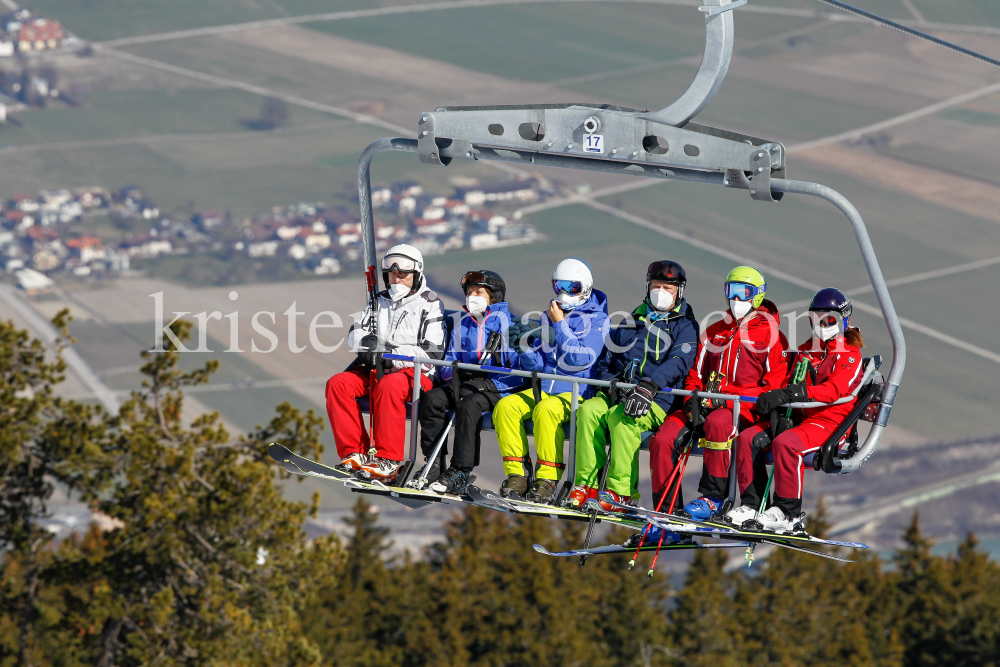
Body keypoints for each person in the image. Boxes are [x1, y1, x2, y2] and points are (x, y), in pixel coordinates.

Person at [646, 266, 788, 520]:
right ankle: (665, 511)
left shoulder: (771, 335)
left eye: (744, 292)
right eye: (730, 291)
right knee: (663, 438)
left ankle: (713, 496)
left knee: (719, 422)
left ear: (757, 295)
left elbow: (772, 387)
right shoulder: (715, 331)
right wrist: (692, 400)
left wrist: (725, 395)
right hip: (708, 404)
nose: (736, 299)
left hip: (742, 409)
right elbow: (696, 373)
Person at [723, 287, 865, 531]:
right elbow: (787, 381)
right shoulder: (807, 351)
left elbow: (833, 390)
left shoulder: (849, 356)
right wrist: (775, 398)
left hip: (828, 422)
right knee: (746, 439)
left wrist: (793, 394)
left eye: (829, 319)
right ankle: (752, 504)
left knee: (786, 443)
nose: (822, 325)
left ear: (844, 320)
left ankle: (788, 512)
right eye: (816, 319)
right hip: (797, 417)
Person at [568, 260, 699, 511]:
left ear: (679, 291)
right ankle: (586, 485)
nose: (661, 291)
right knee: (588, 411)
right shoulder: (632, 321)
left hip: (657, 399)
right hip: (620, 393)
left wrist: (649, 386)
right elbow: (608, 362)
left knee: (624, 416)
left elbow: (679, 362)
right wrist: (611, 385)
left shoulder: (685, 327)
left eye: (668, 288)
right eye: (656, 285)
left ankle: (621, 493)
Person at [325, 244, 446, 483]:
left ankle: (387, 460)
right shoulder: (379, 301)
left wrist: (391, 356)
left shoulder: (430, 303)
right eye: (392, 274)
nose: (397, 279)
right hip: (377, 368)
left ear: (416, 274)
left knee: (389, 386)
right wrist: (365, 343)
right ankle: (354, 453)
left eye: (403, 274)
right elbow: (356, 329)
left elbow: (433, 350)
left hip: (416, 372)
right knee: (338, 383)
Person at [493, 258, 609, 503]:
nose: (565, 293)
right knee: (505, 407)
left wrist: (559, 325)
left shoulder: (598, 320)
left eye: (572, 287)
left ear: (585, 288)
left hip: (576, 392)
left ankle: (547, 479)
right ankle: (518, 475)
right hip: (544, 389)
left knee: (546, 410)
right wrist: (523, 348)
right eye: (559, 286)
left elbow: (581, 359)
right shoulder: (549, 316)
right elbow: (538, 366)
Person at [416, 270, 530, 495]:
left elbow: (518, 369)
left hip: (498, 386)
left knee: (469, 405)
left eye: (479, 291)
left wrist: (488, 379)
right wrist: (455, 375)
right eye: (469, 291)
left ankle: (461, 470)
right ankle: (434, 463)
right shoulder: (464, 324)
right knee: (433, 399)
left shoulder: (507, 324)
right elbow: (449, 361)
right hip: (466, 382)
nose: (472, 296)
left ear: (494, 297)